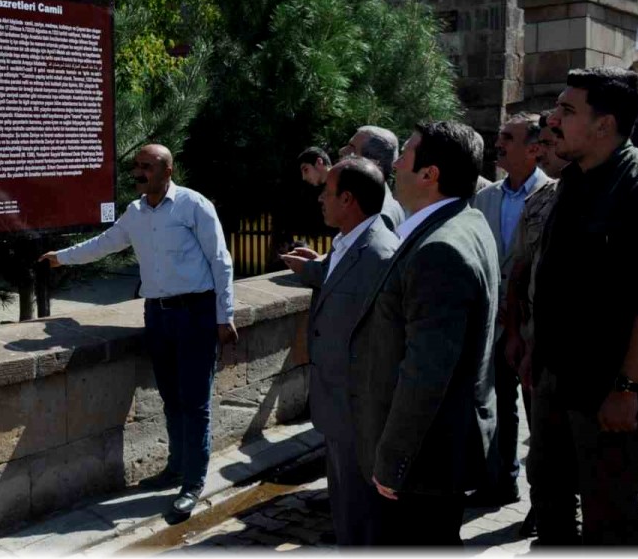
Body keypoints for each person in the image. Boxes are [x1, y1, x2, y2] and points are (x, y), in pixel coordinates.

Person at [39, 144, 236, 519]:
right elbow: (104, 245)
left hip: (195, 314)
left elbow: (220, 260)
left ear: (168, 169)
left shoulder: (194, 205)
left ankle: (192, 484)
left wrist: (224, 316)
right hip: (158, 316)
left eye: (147, 166)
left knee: (194, 403)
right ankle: (176, 468)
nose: (139, 173)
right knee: (171, 398)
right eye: (136, 167)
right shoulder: (135, 212)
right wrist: (62, 257)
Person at [348, 121, 499, 546]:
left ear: (430, 174)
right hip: (436, 453)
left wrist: (393, 462)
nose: (395, 164)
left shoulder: (440, 250)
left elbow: (425, 375)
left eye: (406, 154)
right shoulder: (465, 220)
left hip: (423, 462)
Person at [529, 67, 638, 546]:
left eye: (567, 110)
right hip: (555, 380)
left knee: (608, 514)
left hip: (607, 393)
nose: (553, 121)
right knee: (548, 493)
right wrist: (534, 355)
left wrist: (627, 387)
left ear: (604, 125)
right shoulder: (573, 180)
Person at [281, 157, 399, 545]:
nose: (320, 200)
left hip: (358, 409)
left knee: (362, 515)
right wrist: (314, 269)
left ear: (348, 199)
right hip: (338, 404)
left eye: (327, 192)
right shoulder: (351, 242)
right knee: (346, 506)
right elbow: (339, 278)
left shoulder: (379, 255)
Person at [470, 113, 553, 508]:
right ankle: (502, 481)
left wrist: (520, 308)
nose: (497, 143)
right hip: (496, 328)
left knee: (542, 418)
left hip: (536, 328)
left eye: (508, 137)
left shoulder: (553, 195)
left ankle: (546, 502)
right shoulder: (484, 197)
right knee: (500, 408)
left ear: (534, 149)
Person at [500, 109, 570, 537]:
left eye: (549, 142)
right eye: (540, 143)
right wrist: (515, 335)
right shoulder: (539, 202)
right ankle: (546, 508)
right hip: (534, 342)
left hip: (584, 351)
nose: (543, 151)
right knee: (542, 440)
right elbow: (519, 272)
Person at [339, 126, 406, 231]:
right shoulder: (373, 203)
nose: (342, 151)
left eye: (352, 148)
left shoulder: (380, 214)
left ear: (373, 163)